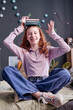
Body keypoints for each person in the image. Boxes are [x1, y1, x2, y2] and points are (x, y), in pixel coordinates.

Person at [2, 16, 71, 108]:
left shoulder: (48, 50)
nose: (33, 36)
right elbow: (7, 42)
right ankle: (40, 95)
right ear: (26, 37)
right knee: (7, 70)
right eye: (29, 34)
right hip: (30, 82)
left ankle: (26, 93)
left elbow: (66, 48)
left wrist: (53, 34)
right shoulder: (23, 52)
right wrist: (20, 28)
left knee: (65, 74)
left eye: (35, 33)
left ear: (40, 36)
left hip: (46, 83)